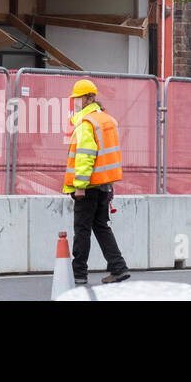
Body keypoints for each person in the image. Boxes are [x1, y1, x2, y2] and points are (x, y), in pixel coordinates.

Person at [63, 78, 131, 285]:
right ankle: (118, 268)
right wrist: (109, 185)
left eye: (78, 98)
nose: (75, 102)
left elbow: (86, 156)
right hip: (104, 185)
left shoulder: (86, 123)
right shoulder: (106, 120)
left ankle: (79, 274)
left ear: (88, 98)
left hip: (88, 186)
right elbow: (108, 156)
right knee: (101, 226)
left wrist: (80, 186)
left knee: (82, 229)